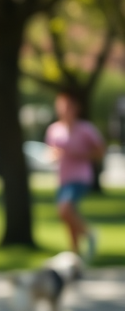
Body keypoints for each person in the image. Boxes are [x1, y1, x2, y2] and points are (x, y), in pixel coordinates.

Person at [45, 90, 105, 261]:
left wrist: (80, 154)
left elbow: (100, 151)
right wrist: (55, 154)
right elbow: (50, 152)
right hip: (64, 178)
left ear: (75, 108)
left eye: (68, 106)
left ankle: (90, 233)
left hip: (81, 177)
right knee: (69, 218)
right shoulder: (54, 129)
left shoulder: (85, 129)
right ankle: (75, 256)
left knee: (64, 209)